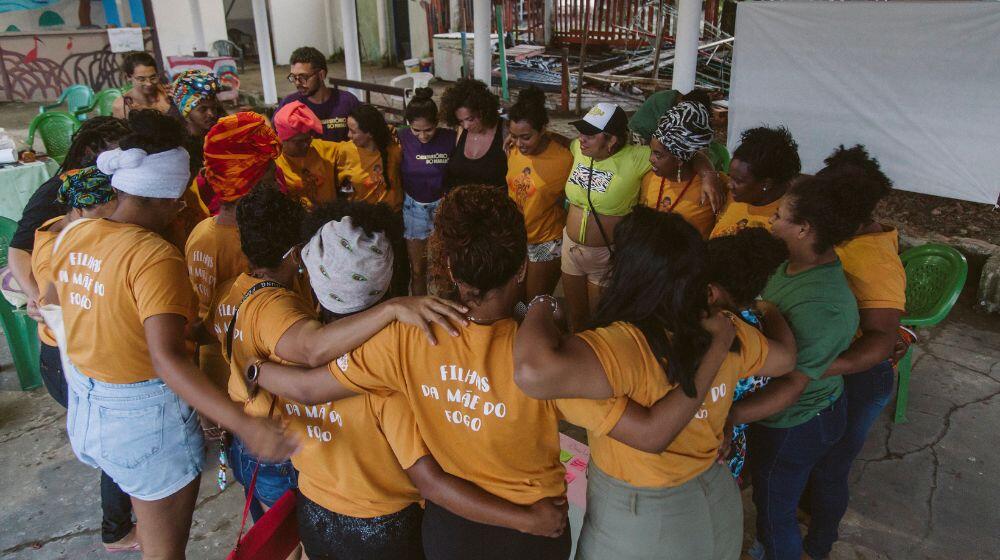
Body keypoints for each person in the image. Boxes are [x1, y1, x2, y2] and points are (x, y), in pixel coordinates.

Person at [241, 200, 564, 558]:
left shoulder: (391, 341)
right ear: (521, 267)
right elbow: (428, 479)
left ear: (450, 269)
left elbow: (306, 389)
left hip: (338, 515)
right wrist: (543, 306)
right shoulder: (541, 355)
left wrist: (257, 370)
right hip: (409, 528)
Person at [47, 110, 297, 559]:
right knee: (164, 552)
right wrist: (244, 424)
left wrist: (207, 331)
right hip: (142, 417)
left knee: (150, 528)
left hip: (88, 405)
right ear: (166, 195)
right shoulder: (154, 256)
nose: (185, 204)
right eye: (180, 196)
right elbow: (166, 359)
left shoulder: (76, 231)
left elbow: (54, 302)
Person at [513, 207, 797, 560]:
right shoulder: (724, 328)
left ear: (628, 274)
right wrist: (767, 310)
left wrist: (539, 304)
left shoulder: (619, 350)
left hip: (645, 519)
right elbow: (786, 358)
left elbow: (530, 373)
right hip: (717, 499)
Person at [217, 185, 469, 522]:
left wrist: (257, 371)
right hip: (380, 512)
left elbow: (306, 383)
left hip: (310, 490)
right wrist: (393, 308)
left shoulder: (241, 290)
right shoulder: (386, 348)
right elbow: (312, 356)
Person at [723, 175, 861, 560]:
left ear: (804, 228)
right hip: (781, 416)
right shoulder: (789, 263)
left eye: (780, 215)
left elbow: (792, 385)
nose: (771, 220)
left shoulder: (824, 306)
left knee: (773, 512)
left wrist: (729, 416)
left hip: (797, 422)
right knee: (776, 496)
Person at [800, 145, 905, 557]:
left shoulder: (874, 259)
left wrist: (821, 368)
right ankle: (805, 513)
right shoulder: (845, 237)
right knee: (813, 455)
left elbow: (881, 340)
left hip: (859, 376)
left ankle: (819, 544)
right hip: (832, 368)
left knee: (831, 467)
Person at [29, 167, 139, 553]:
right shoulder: (60, 245)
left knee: (114, 443)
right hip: (63, 358)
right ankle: (117, 529)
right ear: (84, 210)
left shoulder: (65, 227)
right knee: (115, 447)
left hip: (69, 352)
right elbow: (52, 303)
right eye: (107, 216)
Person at [185, 112, 280, 389]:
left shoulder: (200, 232)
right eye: (270, 172)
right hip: (251, 371)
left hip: (211, 367)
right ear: (253, 182)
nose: (276, 180)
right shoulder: (254, 244)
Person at [9, 117, 131, 322]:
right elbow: (19, 248)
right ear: (88, 152)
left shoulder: (118, 185)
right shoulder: (54, 192)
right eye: (114, 154)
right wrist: (34, 295)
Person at [704, 228, 790, 482]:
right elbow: (788, 359)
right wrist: (769, 308)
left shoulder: (710, 332)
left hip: (701, 448)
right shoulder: (757, 326)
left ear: (711, 292)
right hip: (731, 451)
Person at [504, 87, 572, 300]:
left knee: (535, 301)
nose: (519, 143)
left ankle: (535, 331)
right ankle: (519, 331)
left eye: (526, 137)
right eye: (514, 136)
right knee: (513, 297)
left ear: (543, 129)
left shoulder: (565, 159)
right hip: (515, 237)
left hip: (546, 242)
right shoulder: (512, 149)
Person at [398, 88, 457, 296]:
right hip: (413, 208)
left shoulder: (452, 138)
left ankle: (447, 308)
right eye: (416, 130)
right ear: (408, 125)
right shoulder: (400, 138)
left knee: (445, 269)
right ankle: (419, 313)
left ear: (438, 121)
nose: (422, 136)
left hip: (443, 207)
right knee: (418, 269)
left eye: (429, 130)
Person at [639, 101, 720, 239]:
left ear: (679, 159)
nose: (651, 159)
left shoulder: (712, 189)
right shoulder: (648, 176)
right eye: (651, 151)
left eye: (658, 154)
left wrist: (708, 175)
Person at [710, 126, 801, 239]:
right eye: (730, 176)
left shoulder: (783, 220)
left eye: (738, 181)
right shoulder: (735, 193)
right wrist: (706, 174)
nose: (729, 185)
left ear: (766, 184)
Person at [277, 46, 361, 142]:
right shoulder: (289, 105)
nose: (297, 82)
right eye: (293, 77)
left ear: (321, 75)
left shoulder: (347, 102)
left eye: (303, 77)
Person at [442, 78, 508, 190]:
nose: (466, 126)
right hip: (460, 204)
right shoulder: (461, 130)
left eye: (470, 119)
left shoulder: (505, 131)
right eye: (461, 121)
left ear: (483, 111)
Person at [273, 100, 342, 207]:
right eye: (299, 142)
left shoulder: (322, 148)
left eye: (308, 139)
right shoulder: (273, 164)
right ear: (283, 140)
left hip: (330, 219)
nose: (306, 145)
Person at [112, 51, 171, 118]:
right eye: (141, 79)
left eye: (153, 77)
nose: (149, 84)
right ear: (128, 77)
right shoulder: (121, 106)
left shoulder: (167, 94)